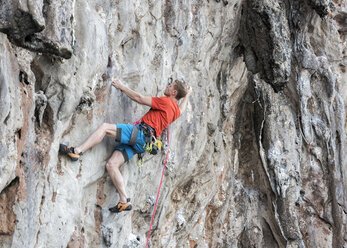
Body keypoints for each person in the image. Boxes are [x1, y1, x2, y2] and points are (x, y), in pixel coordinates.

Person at [59, 78, 192, 213]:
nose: (167, 86)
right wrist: (187, 95)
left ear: (174, 92)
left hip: (140, 133)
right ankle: (124, 200)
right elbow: (182, 109)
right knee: (112, 165)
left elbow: (140, 98)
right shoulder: (175, 111)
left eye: (170, 86)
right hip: (144, 144)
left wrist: (122, 87)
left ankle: (77, 150)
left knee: (105, 128)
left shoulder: (166, 102)